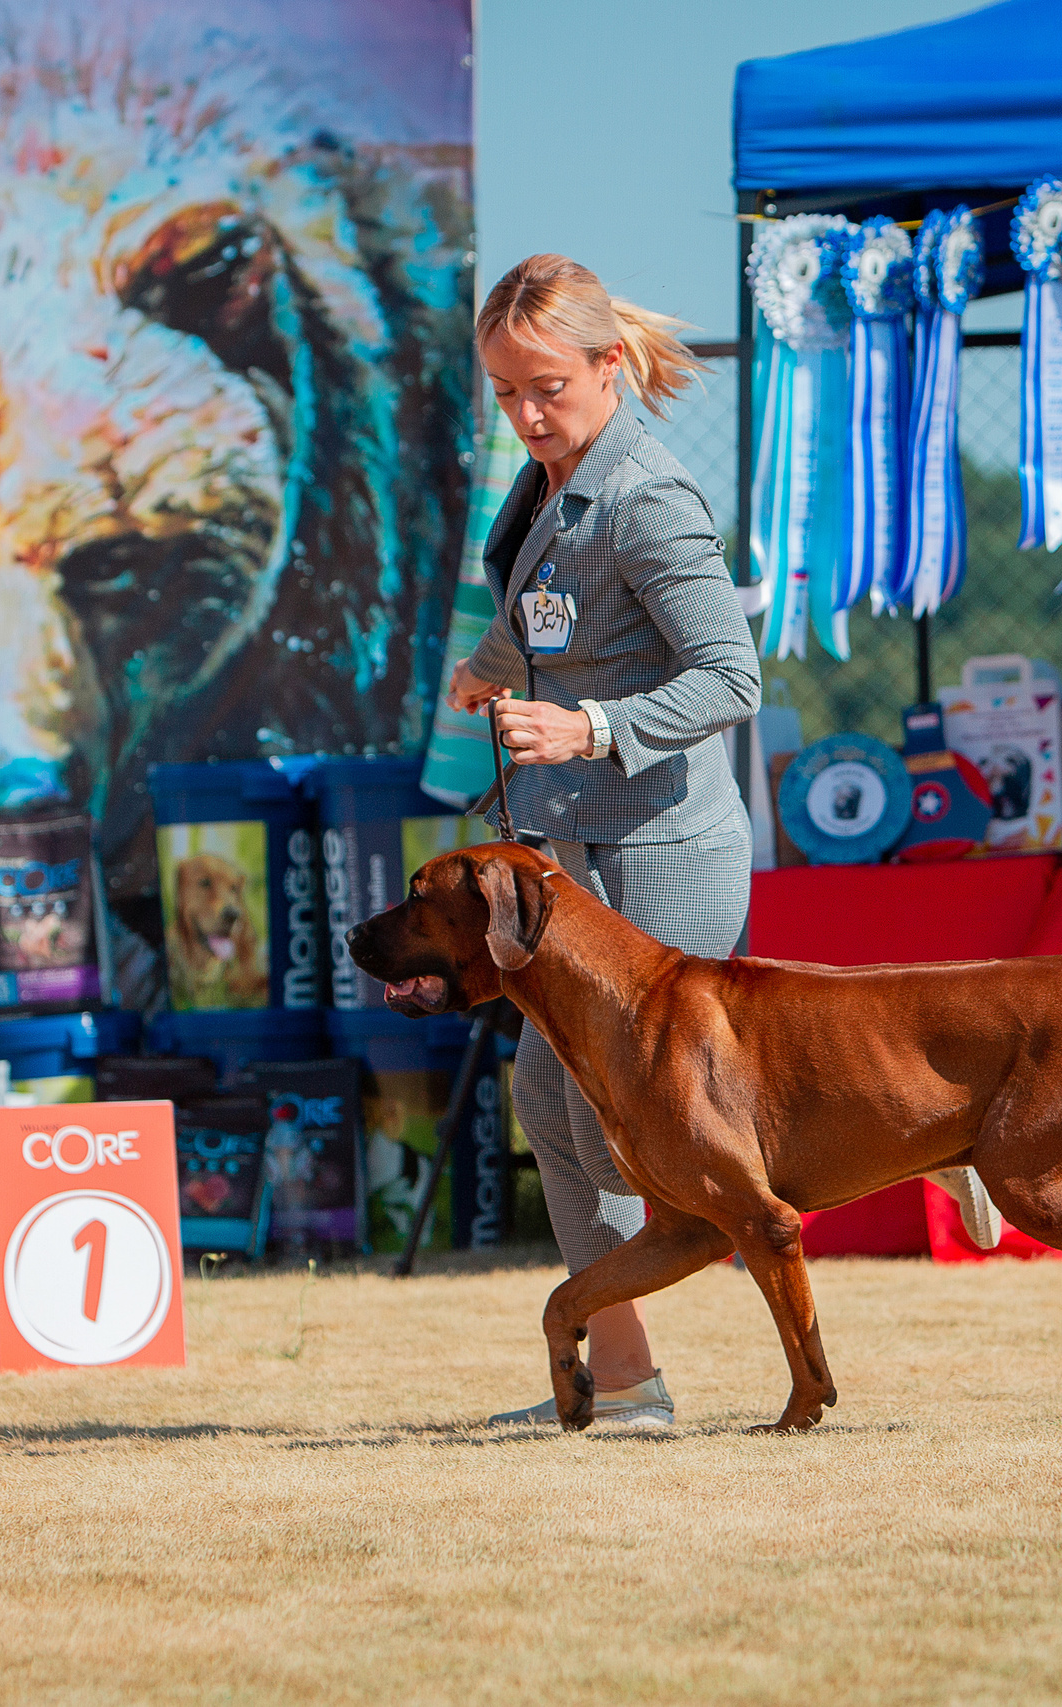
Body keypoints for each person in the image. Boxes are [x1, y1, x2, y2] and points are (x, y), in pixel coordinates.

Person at [449, 254, 756, 1431]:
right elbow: (564, 612)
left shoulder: (647, 495)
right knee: (549, 1100)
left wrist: (590, 725)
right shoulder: (553, 480)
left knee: (623, 1127)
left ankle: (914, 1138)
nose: (525, 415)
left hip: (659, 857)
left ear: (607, 365)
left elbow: (731, 676)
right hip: (578, 862)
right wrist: (497, 665)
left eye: (545, 388)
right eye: (506, 393)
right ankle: (624, 1387)